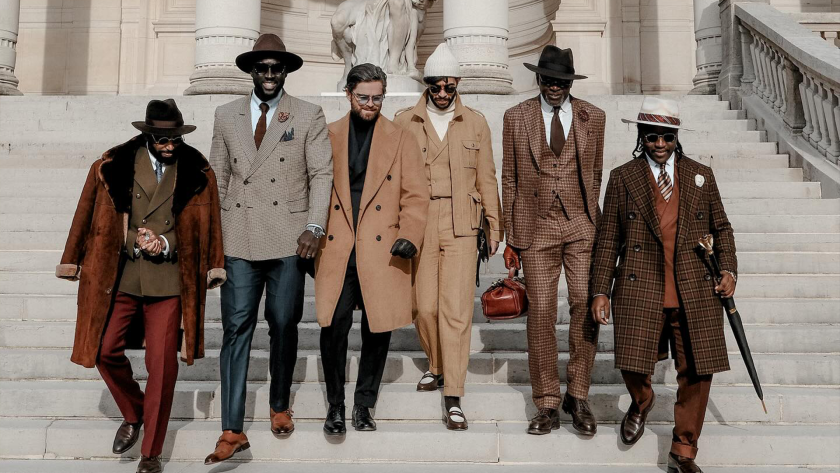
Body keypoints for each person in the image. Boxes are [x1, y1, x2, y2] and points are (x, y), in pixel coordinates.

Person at [56, 99, 225, 473]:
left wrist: (166, 244)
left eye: (174, 138)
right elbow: (85, 211)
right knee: (103, 350)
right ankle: (133, 412)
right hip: (120, 276)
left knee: (162, 366)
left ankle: (151, 453)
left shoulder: (199, 170)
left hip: (170, 282)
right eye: (162, 138)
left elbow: (209, 224)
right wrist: (127, 241)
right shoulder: (111, 165)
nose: (169, 145)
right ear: (147, 134)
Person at [204, 33, 333, 464]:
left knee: (283, 323)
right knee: (236, 329)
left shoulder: (309, 114)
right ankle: (231, 427)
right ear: (251, 71)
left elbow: (321, 175)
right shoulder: (225, 115)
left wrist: (314, 226)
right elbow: (216, 180)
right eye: (263, 67)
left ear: (286, 71)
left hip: (289, 238)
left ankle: (279, 404)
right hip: (239, 236)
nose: (270, 75)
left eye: (277, 67)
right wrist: (215, 239)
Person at [590, 97, 737, 473]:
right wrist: (600, 290)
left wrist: (729, 270)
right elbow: (608, 238)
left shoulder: (700, 174)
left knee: (697, 370)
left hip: (695, 288)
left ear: (676, 138)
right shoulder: (623, 177)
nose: (659, 145)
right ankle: (641, 401)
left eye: (667, 138)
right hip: (641, 284)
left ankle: (682, 451)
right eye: (652, 137)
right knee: (632, 362)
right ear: (641, 136)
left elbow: (721, 227)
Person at [314, 63, 428, 436]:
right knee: (334, 326)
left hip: (382, 246)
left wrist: (411, 233)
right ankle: (335, 406)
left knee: (377, 329)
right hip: (337, 245)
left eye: (378, 98)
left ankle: (364, 405)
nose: (371, 104)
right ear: (348, 95)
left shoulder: (401, 138)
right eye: (363, 97)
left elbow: (415, 195)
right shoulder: (326, 134)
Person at [394, 43, 503, 431]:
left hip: (462, 222)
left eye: (449, 87)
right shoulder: (404, 120)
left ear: (458, 85)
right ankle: (437, 365)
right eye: (436, 87)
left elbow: (487, 176)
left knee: (455, 310)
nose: (442, 94)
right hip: (419, 223)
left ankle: (453, 394)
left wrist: (495, 224)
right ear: (426, 85)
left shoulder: (475, 122)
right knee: (424, 307)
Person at [500, 45, 606, 436]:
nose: (554, 87)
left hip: (580, 223)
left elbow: (594, 172)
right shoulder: (516, 117)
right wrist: (512, 236)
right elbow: (508, 177)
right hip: (535, 227)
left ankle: (578, 394)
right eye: (547, 80)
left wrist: (589, 217)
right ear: (538, 78)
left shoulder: (594, 116)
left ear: (570, 81)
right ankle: (546, 401)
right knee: (542, 311)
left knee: (584, 302)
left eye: (561, 81)